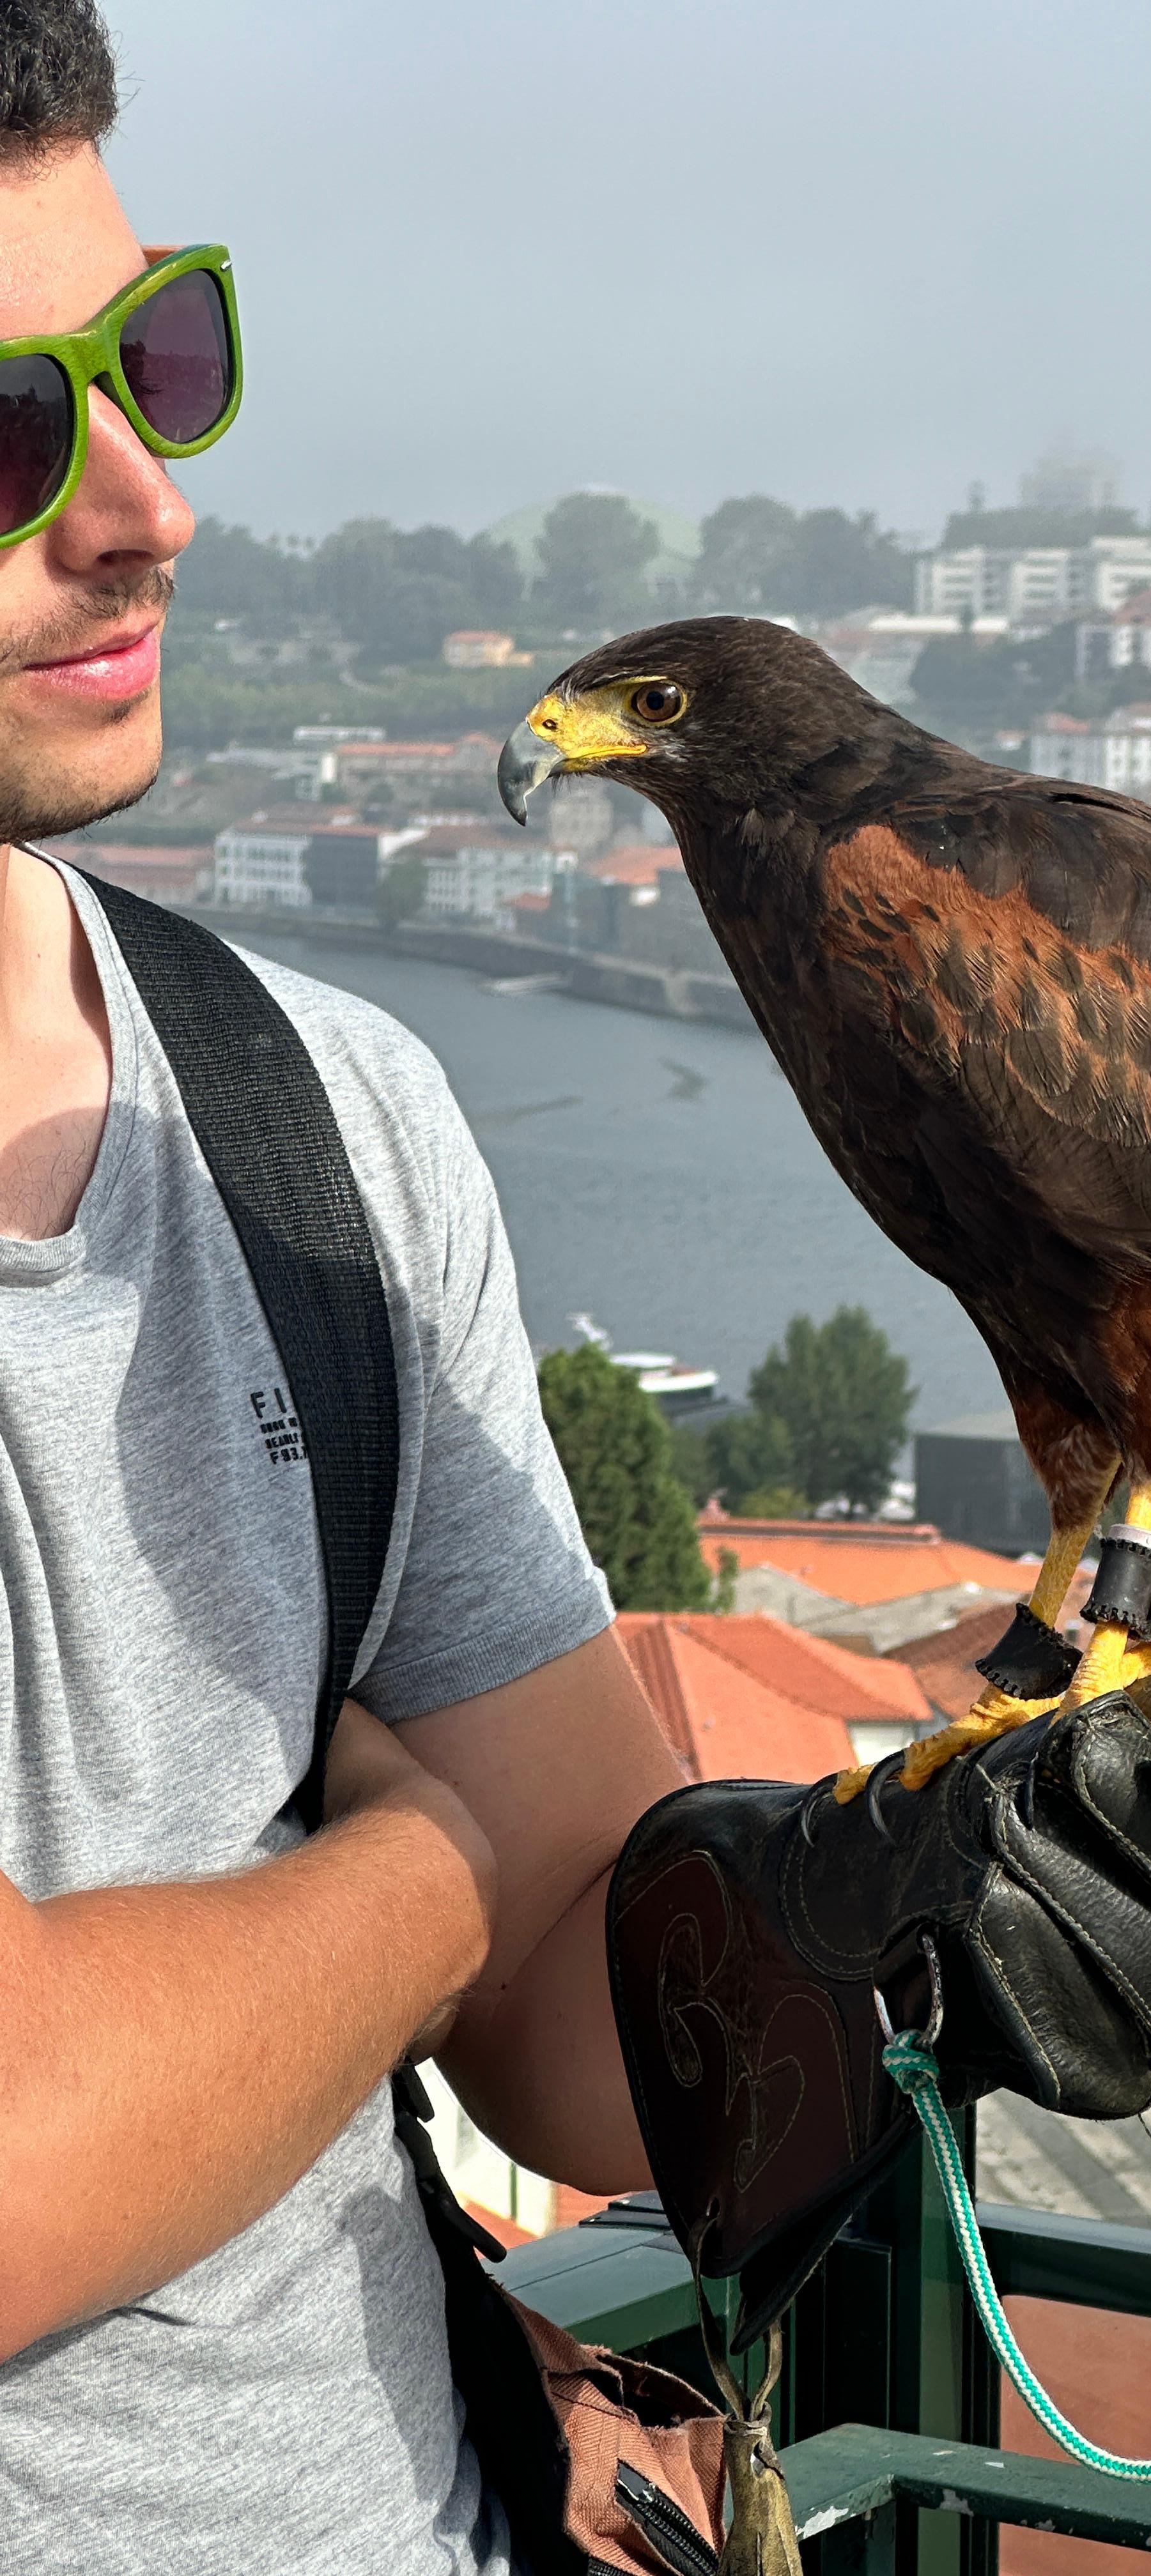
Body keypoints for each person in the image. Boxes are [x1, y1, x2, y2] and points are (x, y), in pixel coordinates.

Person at [0, 10, 687, 2568]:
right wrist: (420, 1868)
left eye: (151, 358)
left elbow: (599, 2055)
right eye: (3, 434)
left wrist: (920, 1907)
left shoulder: (320, 1116)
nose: (148, 505)